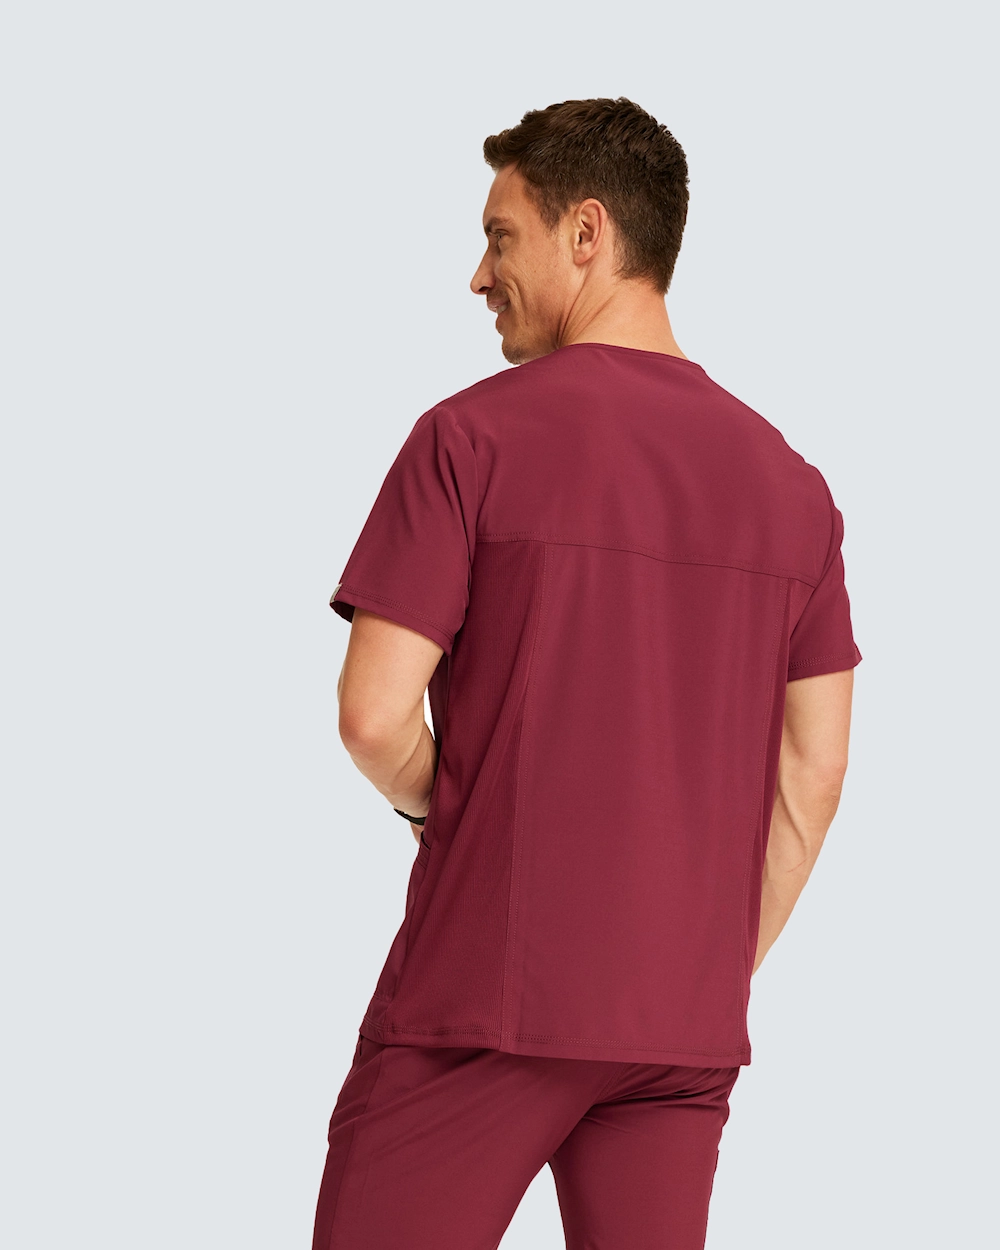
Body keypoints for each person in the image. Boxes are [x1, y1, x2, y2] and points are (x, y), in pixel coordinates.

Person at [312, 96, 862, 1250]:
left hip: (485, 1005)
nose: (477, 274)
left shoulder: (469, 439)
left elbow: (371, 714)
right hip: (680, 1029)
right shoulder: (793, 488)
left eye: (499, 236)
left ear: (586, 233)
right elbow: (811, 773)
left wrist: (440, 807)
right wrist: (696, 964)